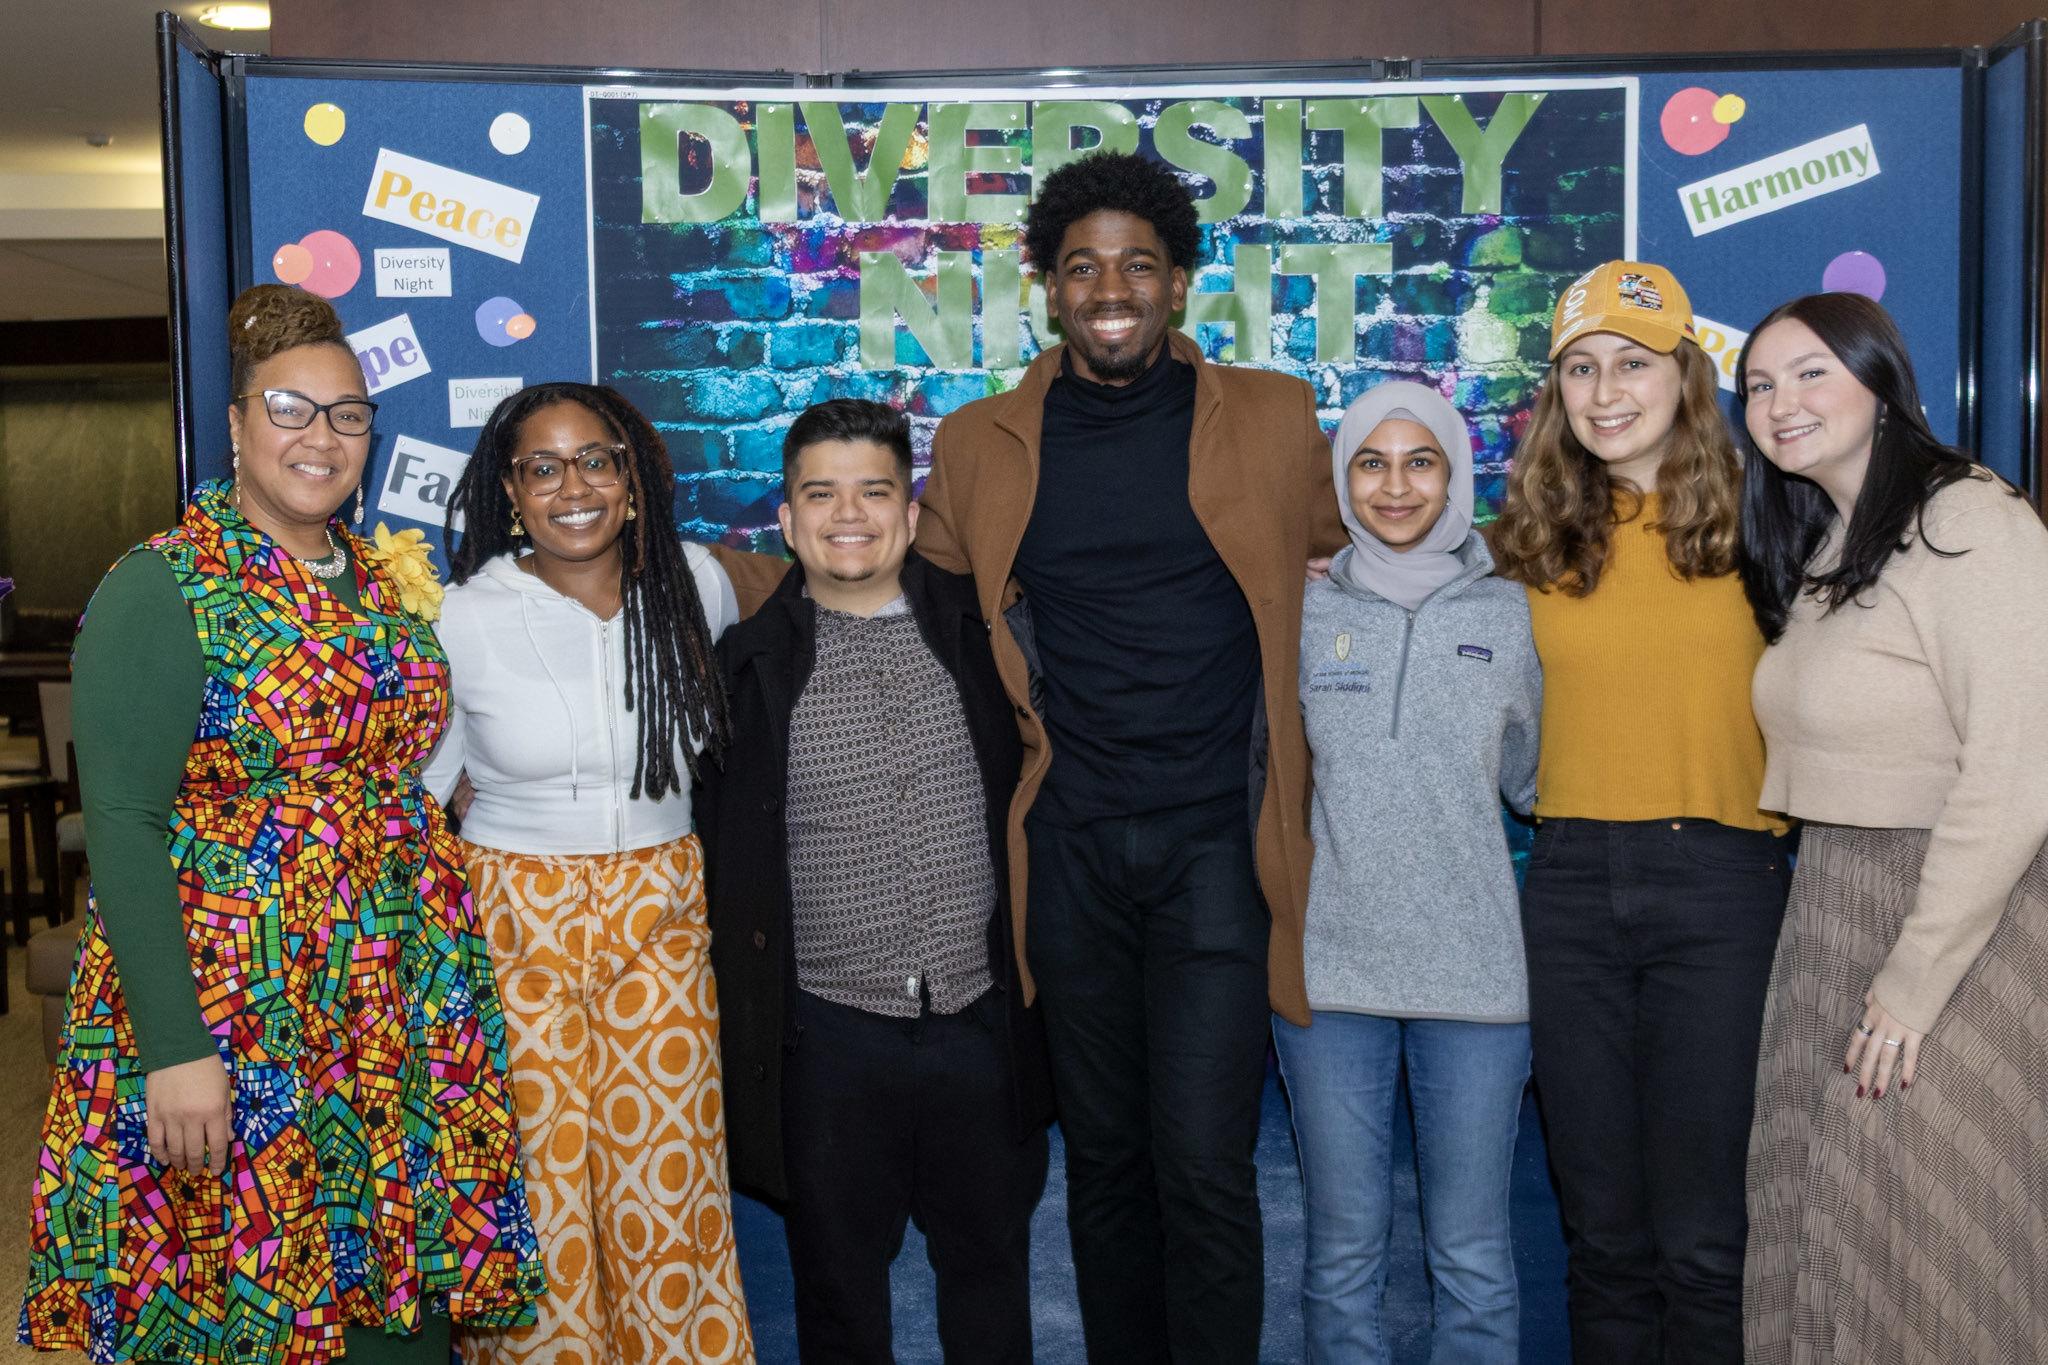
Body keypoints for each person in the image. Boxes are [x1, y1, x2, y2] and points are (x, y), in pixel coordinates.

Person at [20, 283, 544, 1363]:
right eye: (290, 409)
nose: (321, 437)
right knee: (253, 1293)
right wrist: (177, 1050)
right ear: (236, 423)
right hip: (240, 1000)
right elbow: (121, 820)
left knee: (400, 1290)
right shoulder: (166, 583)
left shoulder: (382, 581)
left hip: (392, 997)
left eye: (347, 414)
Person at [917, 149, 1346, 1362]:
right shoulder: (980, 442)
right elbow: (897, 587)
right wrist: (707, 582)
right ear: (1048, 287)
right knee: (1103, 1162)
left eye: (1137, 265)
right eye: (1082, 267)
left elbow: (1371, 539)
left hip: (1216, 844)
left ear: (1177, 282)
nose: (1111, 289)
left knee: (1203, 1163)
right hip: (1068, 850)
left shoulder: (1270, 417)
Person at [698, 398, 1054, 1363]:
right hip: (827, 1041)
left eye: (873, 491)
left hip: (981, 1026)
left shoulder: (987, 636)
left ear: (911, 510)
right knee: (839, 1305)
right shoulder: (745, 667)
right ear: (787, 519)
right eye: (821, 494)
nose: (848, 514)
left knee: (992, 1287)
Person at [1737, 292, 2048, 1364]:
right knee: (1826, 1222)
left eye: (1810, 372)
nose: (1779, 402)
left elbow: (2017, 769)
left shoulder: (1969, 520)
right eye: (1758, 385)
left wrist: (1914, 981)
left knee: (1932, 1245)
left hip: (1953, 930)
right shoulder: (1837, 539)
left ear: (1880, 384)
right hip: (1833, 907)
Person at [1488, 260, 1789, 1363]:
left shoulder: (1770, 518)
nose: (1605, 391)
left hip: (1722, 890)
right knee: (1603, 1239)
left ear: (1685, 377)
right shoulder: (1530, 538)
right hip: (1568, 890)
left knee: (1704, 1243)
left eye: (1632, 362)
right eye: (1579, 368)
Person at [425, 381, 754, 1365]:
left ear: (634, 478)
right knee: (539, 1200)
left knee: (671, 1187)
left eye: (596, 461)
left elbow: (822, 583)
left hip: (661, 914)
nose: (573, 487)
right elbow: (414, 794)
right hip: (510, 920)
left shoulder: (697, 586)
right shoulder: (461, 616)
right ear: (510, 491)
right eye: (543, 467)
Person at [1277, 381, 1540, 1363]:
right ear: (1342, 480)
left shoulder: (1514, 612)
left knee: (1471, 1257)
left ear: (1455, 474)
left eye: (1419, 461)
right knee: (1342, 1254)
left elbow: (1534, 782)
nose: (1395, 486)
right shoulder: (1299, 609)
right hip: (1330, 977)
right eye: (1371, 463)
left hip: (1477, 980)